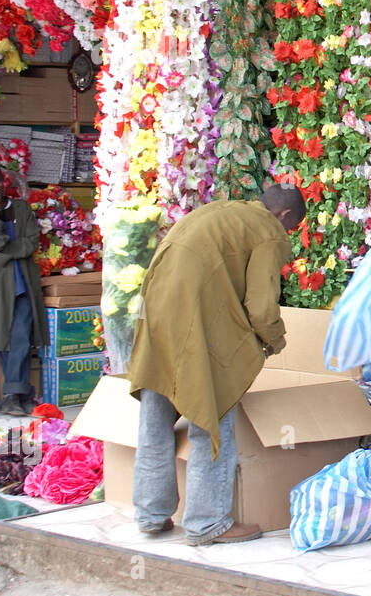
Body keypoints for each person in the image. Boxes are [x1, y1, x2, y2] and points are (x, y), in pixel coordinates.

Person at [129, 184, 305, 545]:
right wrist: (276, 340)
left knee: (155, 418)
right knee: (212, 418)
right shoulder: (268, 230)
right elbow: (260, 306)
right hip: (194, 323)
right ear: (285, 216)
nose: (287, 236)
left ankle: (151, 514)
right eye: (291, 228)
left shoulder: (223, 211)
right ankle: (206, 522)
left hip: (154, 314)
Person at [0, 165, 48, 416]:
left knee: (21, 339)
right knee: (3, 340)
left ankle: (13, 394)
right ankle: (18, 394)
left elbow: (29, 244)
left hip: (22, 283)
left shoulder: (22, 209)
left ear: (5, 182)